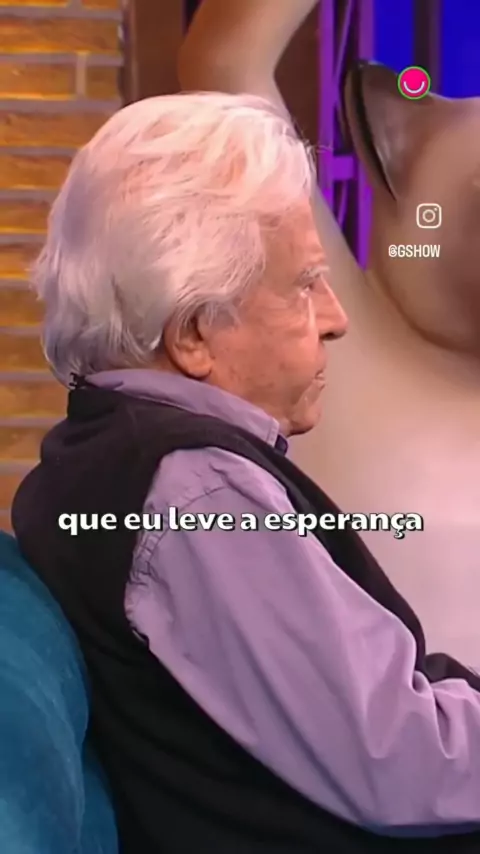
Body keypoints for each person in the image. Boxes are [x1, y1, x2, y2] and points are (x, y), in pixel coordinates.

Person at [10, 89, 480, 854]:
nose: (336, 318)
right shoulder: (196, 490)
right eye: (304, 285)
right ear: (196, 333)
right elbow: (406, 760)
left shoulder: (119, 454)